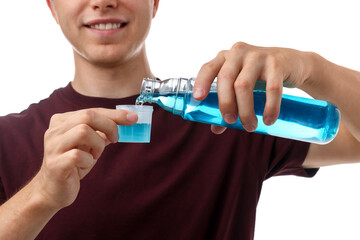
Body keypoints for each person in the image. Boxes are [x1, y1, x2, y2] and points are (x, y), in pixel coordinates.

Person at [0, 0, 359, 239]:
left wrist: (312, 68)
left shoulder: (233, 115)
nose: (103, 0)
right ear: (52, 6)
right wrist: (41, 195)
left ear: (154, 1)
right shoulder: (8, 140)